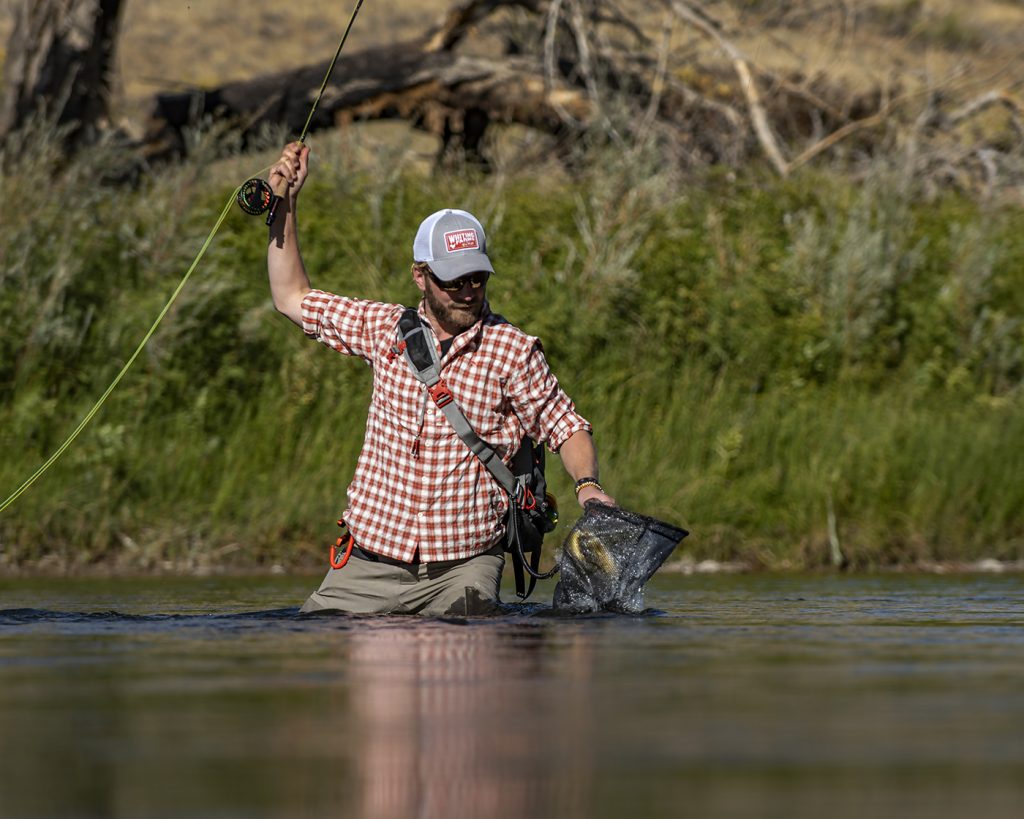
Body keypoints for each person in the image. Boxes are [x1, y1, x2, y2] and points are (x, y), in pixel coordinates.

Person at [267, 141, 616, 615]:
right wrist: (284, 205)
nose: (468, 291)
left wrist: (587, 486)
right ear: (420, 276)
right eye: (453, 281)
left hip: (463, 568)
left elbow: (566, 425)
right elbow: (291, 296)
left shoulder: (513, 350)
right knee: (310, 636)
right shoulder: (382, 329)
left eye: (477, 278)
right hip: (369, 560)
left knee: (460, 653)